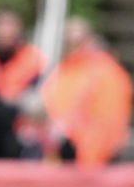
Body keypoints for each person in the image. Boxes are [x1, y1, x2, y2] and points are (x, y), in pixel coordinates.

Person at [40, 16, 133, 166]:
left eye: (77, 42)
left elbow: (110, 121)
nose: (72, 47)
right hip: (64, 142)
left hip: (90, 150)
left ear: (90, 41)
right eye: (68, 42)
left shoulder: (107, 72)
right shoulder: (64, 70)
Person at [0, 9, 45, 105]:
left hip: (17, 110)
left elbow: (39, 91)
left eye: (10, 25)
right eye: (2, 25)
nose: (6, 31)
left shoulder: (33, 58)